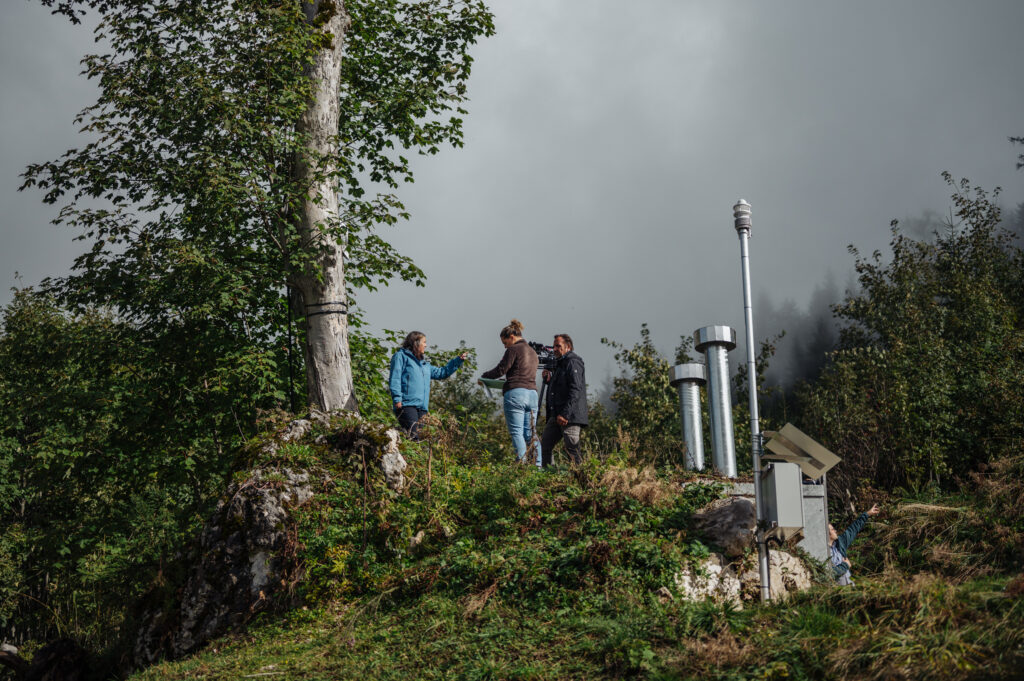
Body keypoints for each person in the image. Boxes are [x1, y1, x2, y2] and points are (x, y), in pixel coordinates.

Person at [480, 319, 540, 465]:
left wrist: (484, 376)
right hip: (532, 394)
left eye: (505, 342)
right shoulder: (533, 352)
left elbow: (501, 369)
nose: (505, 346)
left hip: (516, 394)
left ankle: (521, 464)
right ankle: (538, 465)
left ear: (512, 337)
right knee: (531, 434)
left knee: (517, 432)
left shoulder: (513, 350)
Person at [389, 331, 468, 439]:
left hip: (422, 408)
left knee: (420, 438)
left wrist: (457, 361)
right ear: (416, 343)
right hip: (406, 404)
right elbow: (395, 378)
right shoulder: (400, 356)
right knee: (414, 436)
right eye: (424, 342)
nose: (426, 345)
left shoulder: (424, 364)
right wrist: (397, 398)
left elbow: (442, 373)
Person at [540, 333, 587, 467]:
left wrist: (565, 413)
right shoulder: (561, 363)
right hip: (557, 415)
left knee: (572, 449)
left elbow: (575, 389)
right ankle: (548, 476)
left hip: (569, 416)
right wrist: (549, 381)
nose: (554, 349)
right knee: (545, 446)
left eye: (558, 346)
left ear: (568, 347)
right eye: (554, 346)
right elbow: (562, 387)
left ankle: (580, 480)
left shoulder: (573, 362)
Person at [829, 503, 881, 586]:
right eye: (832, 529)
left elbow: (852, 529)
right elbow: (829, 573)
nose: (835, 531)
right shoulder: (823, 551)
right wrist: (845, 565)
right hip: (837, 591)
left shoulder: (840, 543)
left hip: (849, 586)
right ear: (826, 533)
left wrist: (867, 514)